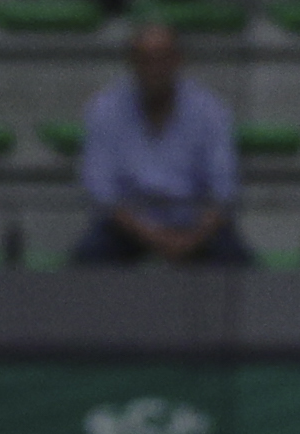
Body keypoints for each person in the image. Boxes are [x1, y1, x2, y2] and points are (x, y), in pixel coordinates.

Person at [70, 21, 244, 268]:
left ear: (177, 60)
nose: (155, 69)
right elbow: (102, 191)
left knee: (237, 262)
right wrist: (156, 237)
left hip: (195, 226)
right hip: (127, 227)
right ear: (132, 63)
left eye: (162, 59)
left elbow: (224, 189)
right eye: (146, 60)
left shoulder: (211, 110)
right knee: (88, 259)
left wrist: (191, 238)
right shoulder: (104, 109)